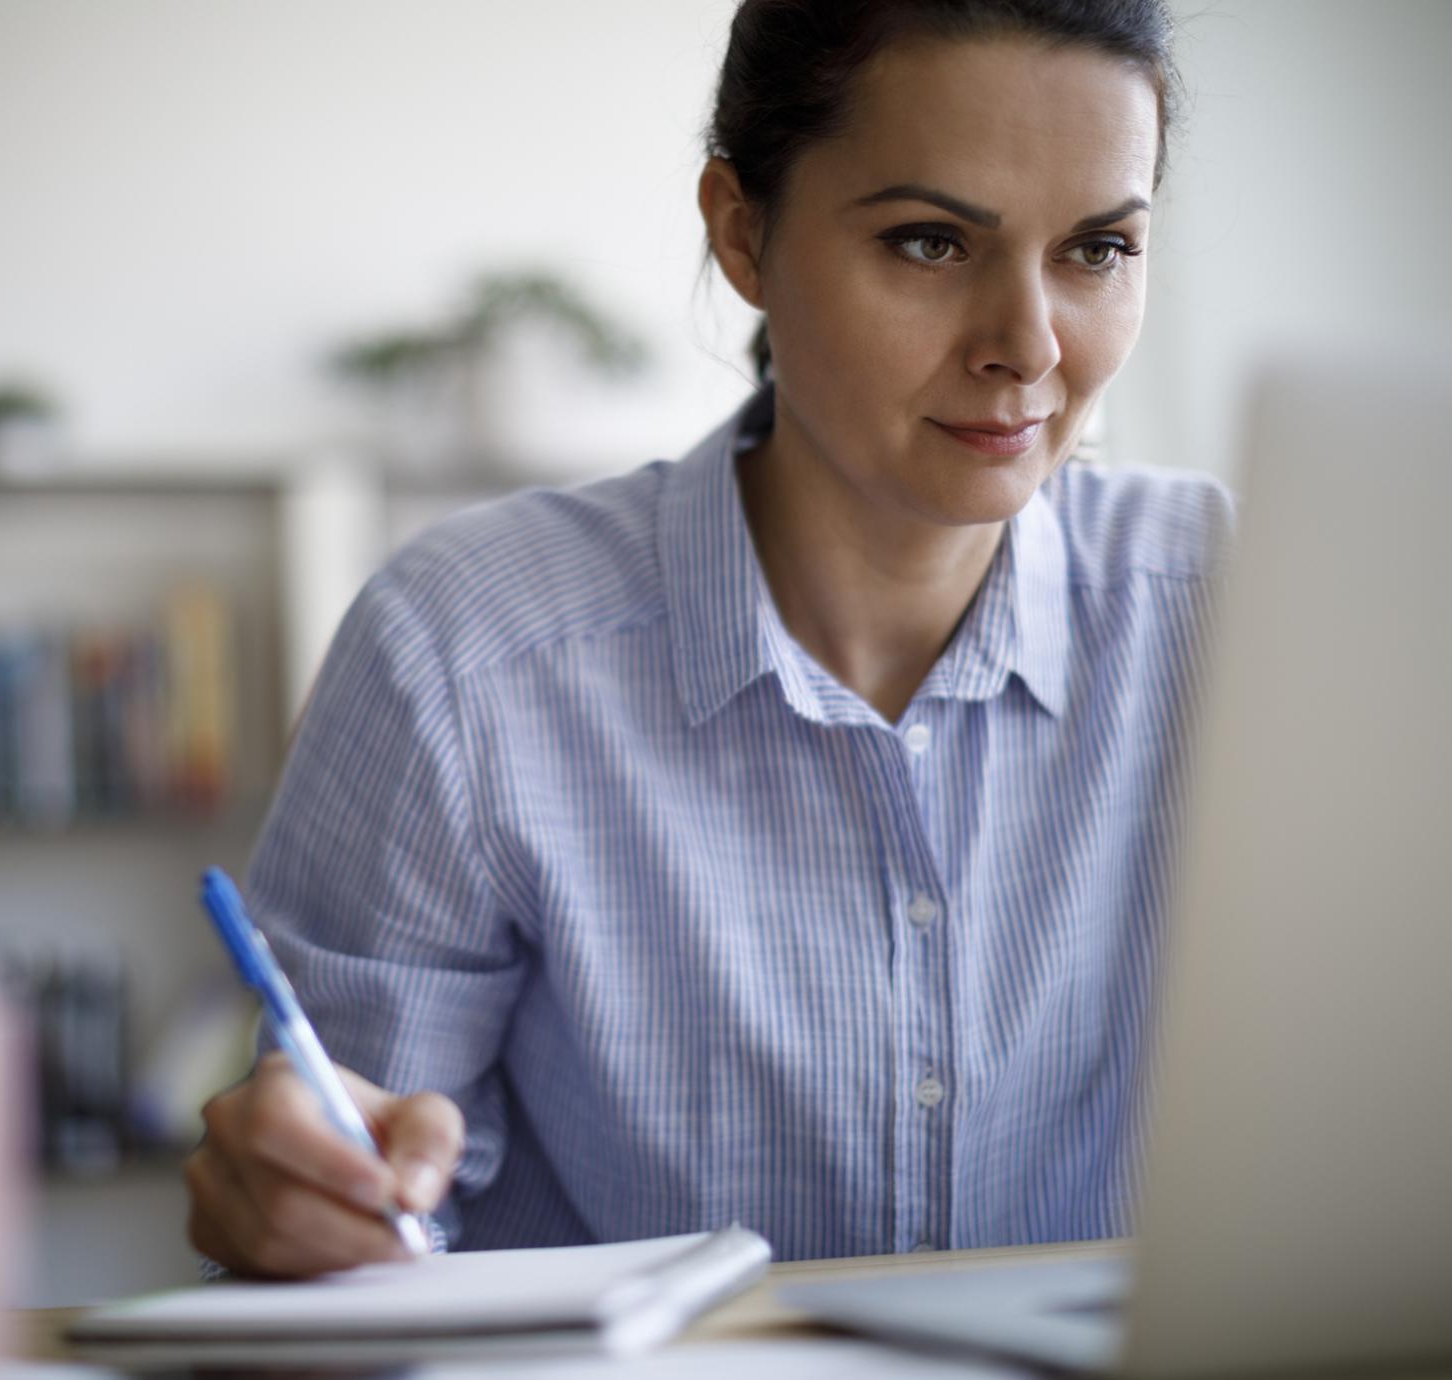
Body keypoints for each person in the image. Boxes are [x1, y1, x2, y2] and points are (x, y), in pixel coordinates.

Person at [185, 0, 1231, 1279]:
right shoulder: (462, 655)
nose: (1026, 347)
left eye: (1095, 251)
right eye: (928, 242)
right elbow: (353, 1214)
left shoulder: (1251, 612)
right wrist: (306, 1204)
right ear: (742, 234)